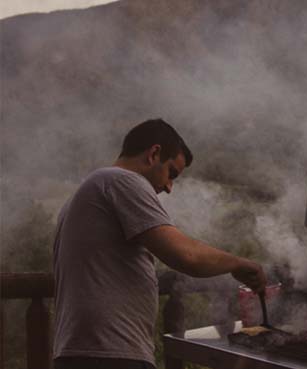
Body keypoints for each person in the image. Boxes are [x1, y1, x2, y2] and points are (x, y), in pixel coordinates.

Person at [52, 119, 266, 369]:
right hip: (109, 355)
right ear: (154, 154)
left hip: (84, 353)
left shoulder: (86, 193)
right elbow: (186, 256)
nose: (168, 187)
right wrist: (238, 263)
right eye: (171, 173)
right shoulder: (121, 180)